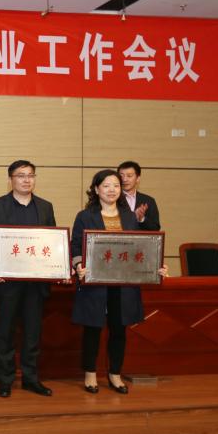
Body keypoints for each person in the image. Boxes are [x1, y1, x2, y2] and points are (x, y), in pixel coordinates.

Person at [71, 169, 168, 394]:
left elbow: (142, 246)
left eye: (116, 185)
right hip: (95, 284)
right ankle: (90, 374)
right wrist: (78, 265)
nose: (112, 190)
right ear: (96, 189)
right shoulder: (85, 216)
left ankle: (115, 374)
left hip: (123, 284)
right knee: (93, 329)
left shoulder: (129, 217)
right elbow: (76, 245)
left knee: (119, 330)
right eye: (106, 185)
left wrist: (156, 266)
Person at [0, 160, 58, 398]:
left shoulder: (45, 207)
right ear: (10, 179)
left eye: (30, 175)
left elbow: (52, 241)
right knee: (5, 333)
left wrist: (59, 267)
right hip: (8, 283)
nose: (26, 180)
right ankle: (5, 380)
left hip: (36, 282)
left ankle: (30, 379)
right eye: (21, 175)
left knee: (33, 333)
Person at [117, 161, 161, 231]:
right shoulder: (112, 199)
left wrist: (142, 219)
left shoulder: (148, 201)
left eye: (129, 176)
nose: (124, 179)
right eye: (121, 176)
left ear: (138, 178)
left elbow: (155, 228)